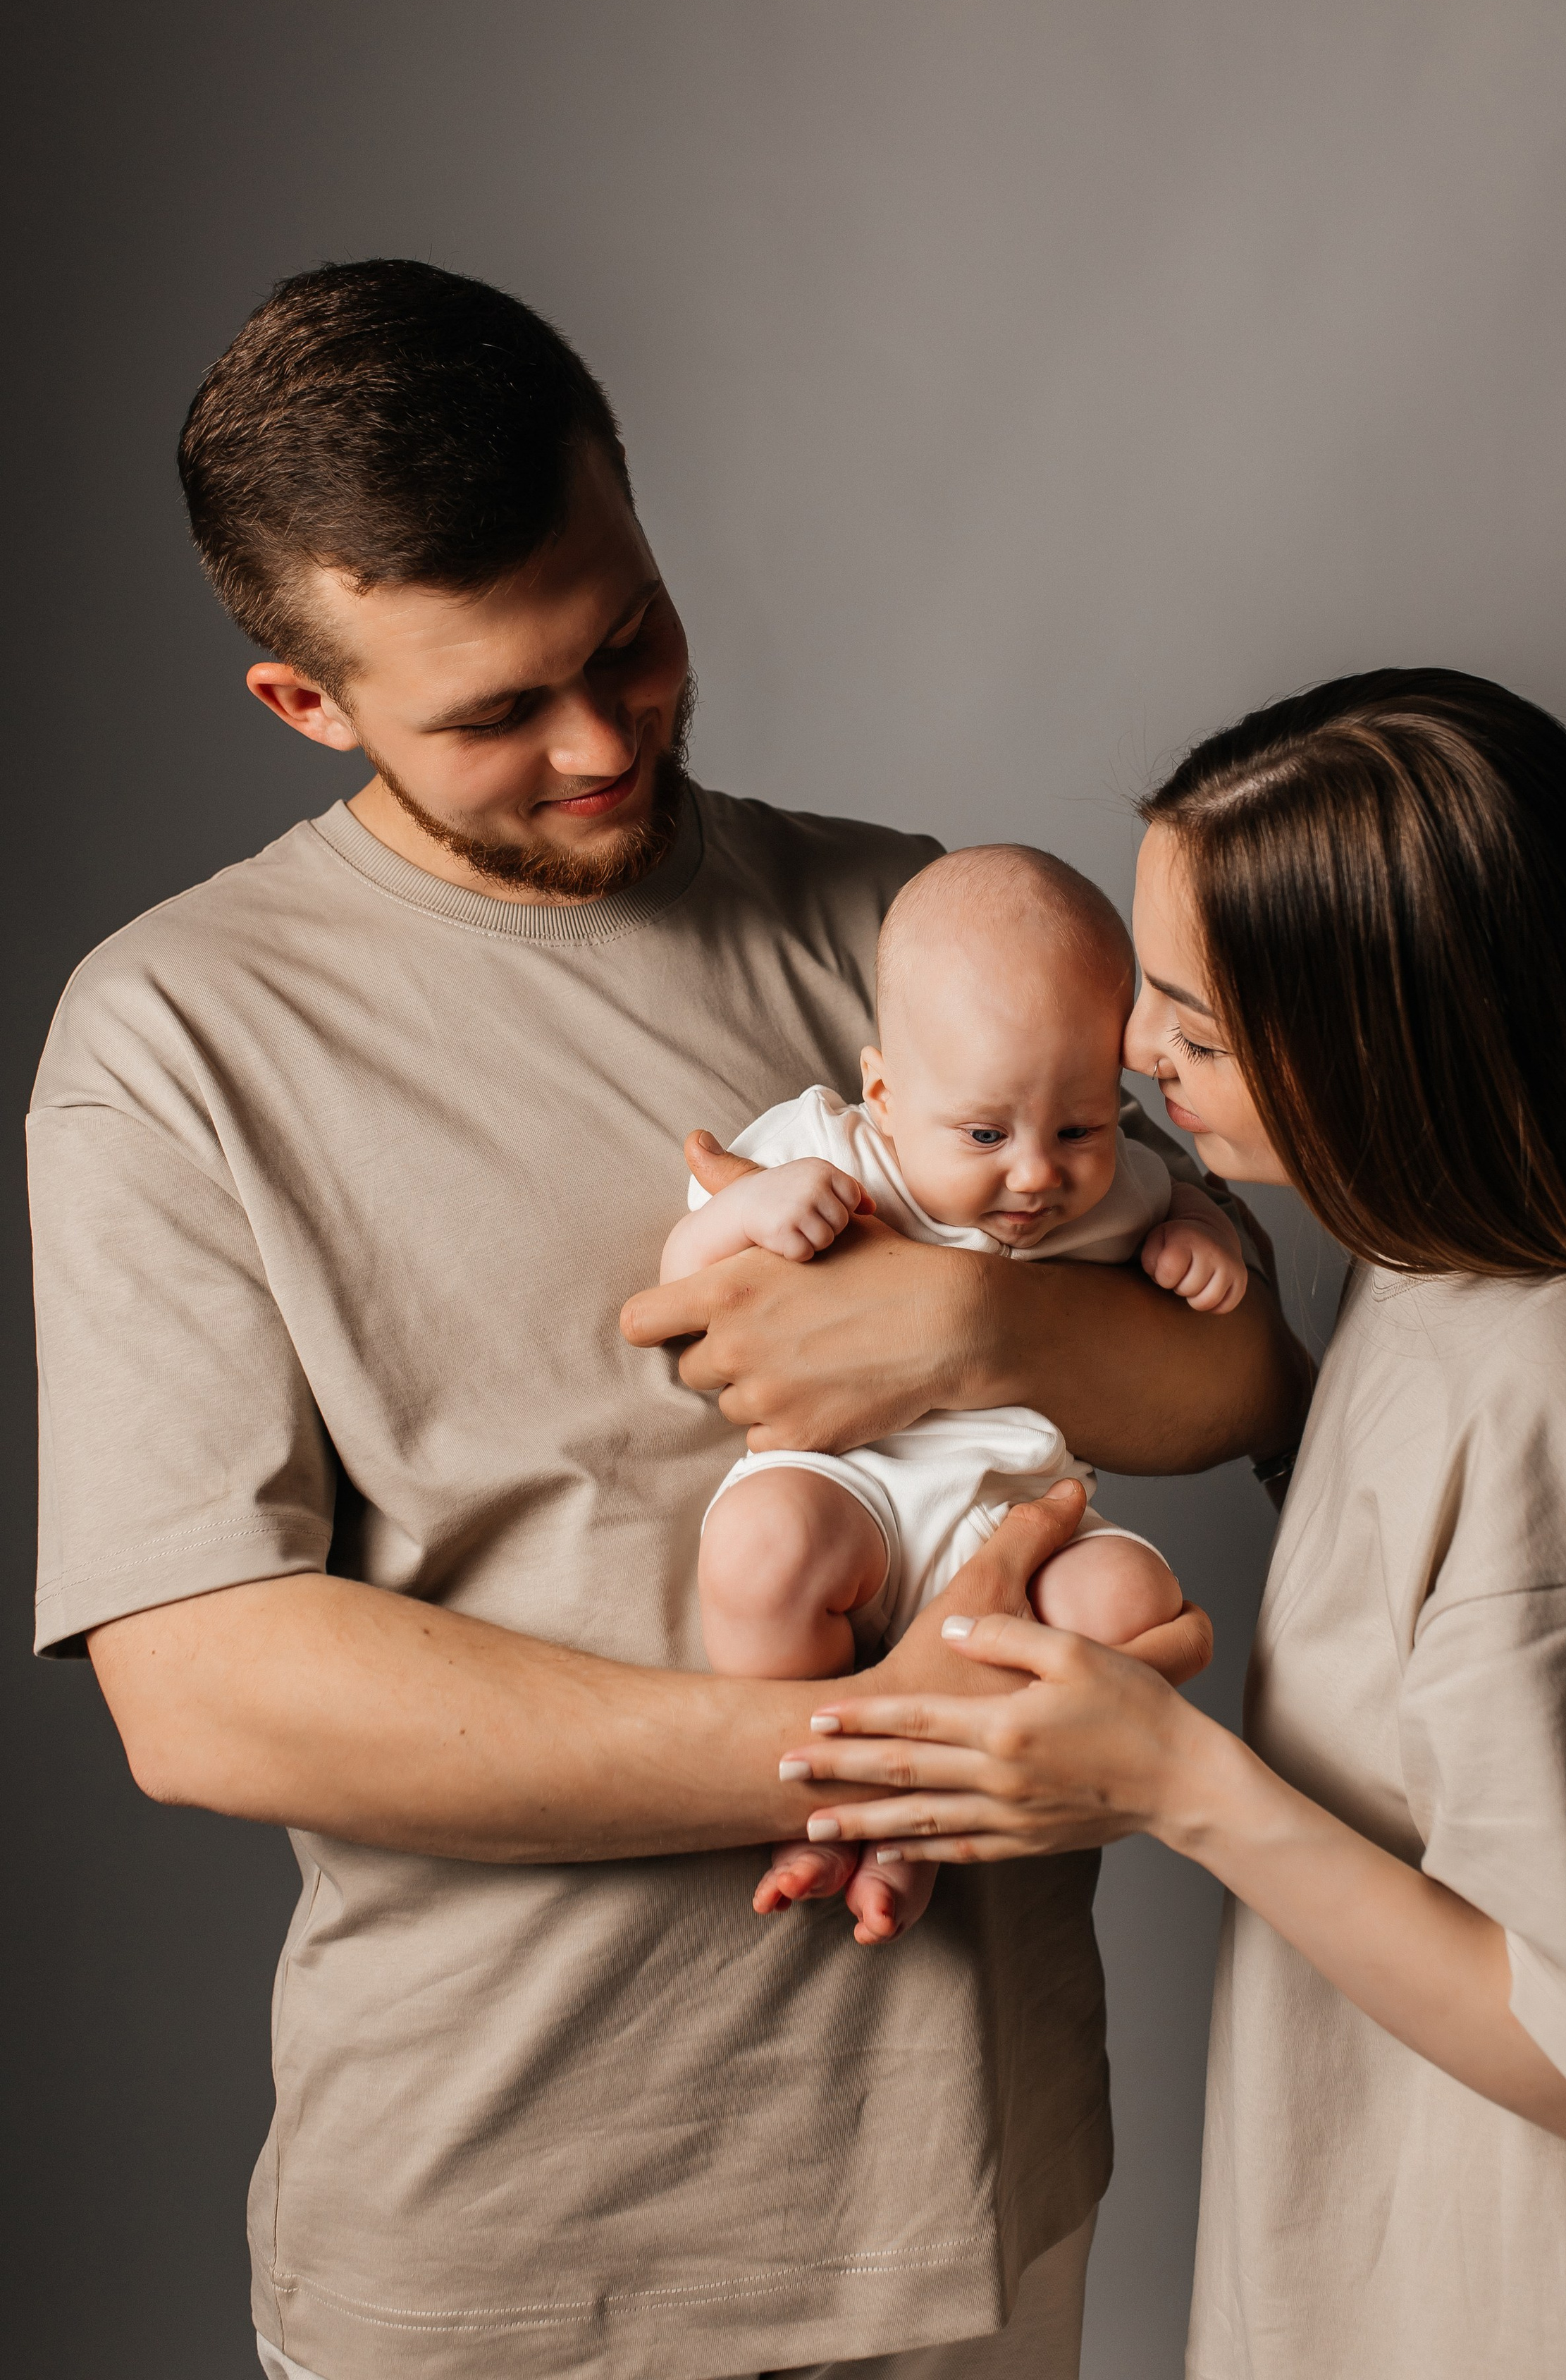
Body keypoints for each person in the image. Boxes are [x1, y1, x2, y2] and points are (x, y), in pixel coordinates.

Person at [28, 259, 1307, 2380]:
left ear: (632, 507)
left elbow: (1240, 1374)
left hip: (968, 2191)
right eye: (497, 711)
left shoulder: (913, 934)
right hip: (512, 2229)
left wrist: (956, 1336)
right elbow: (208, 1691)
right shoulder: (173, 1038)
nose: (604, 739)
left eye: (625, 638)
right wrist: (893, 1752)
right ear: (305, 704)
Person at [782, 670, 1566, 2379]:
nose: (1131, 1060)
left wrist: (1174, 1783)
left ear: (1382, 1036)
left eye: (1192, 1026)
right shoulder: (1419, 1280)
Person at [670, 842, 1246, 1943]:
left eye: (1077, 1126)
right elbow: (681, 1282)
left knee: (1130, 1598)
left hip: (1019, 1517)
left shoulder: (1115, 1188)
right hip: (852, 1492)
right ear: (883, 1092)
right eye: (986, 1134)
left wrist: (1197, 1238)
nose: (1037, 1174)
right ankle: (816, 1800)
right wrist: (749, 1214)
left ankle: (913, 1834)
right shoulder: (824, 1151)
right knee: (760, 1547)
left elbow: (1180, 1201)